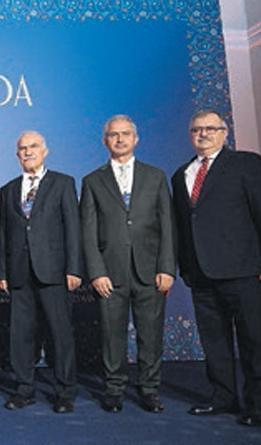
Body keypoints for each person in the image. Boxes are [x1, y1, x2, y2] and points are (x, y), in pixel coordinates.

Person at [80, 114, 175, 414]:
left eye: (125, 134)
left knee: (151, 334)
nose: (119, 139)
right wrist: (96, 272)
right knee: (112, 335)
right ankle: (114, 389)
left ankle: (149, 389)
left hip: (150, 271)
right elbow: (87, 232)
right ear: (104, 140)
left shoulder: (155, 176)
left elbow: (167, 226)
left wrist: (167, 267)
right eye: (113, 134)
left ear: (136, 139)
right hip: (110, 274)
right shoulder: (92, 181)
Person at [172, 110, 261, 426]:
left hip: (243, 271)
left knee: (254, 340)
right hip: (201, 274)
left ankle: (257, 405)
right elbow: (183, 225)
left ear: (225, 132)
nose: (204, 133)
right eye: (197, 129)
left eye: (211, 128)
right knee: (215, 342)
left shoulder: (246, 164)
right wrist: (186, 268)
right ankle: (223, 398)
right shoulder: (181, 174)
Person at [0, 131, 82, 413]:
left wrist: (74, 268)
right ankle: (24, 389)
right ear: (17, 155)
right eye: (22, 148)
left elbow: (73, 228)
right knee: (20, 336)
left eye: (33, 147)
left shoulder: (63, 183)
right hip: (19, 274)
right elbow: (2, 234)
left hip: (54, 272)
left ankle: (65, 391)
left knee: (60, 333)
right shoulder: (8, 190)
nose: (28, 152)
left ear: (45, 151)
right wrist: (3, 273)